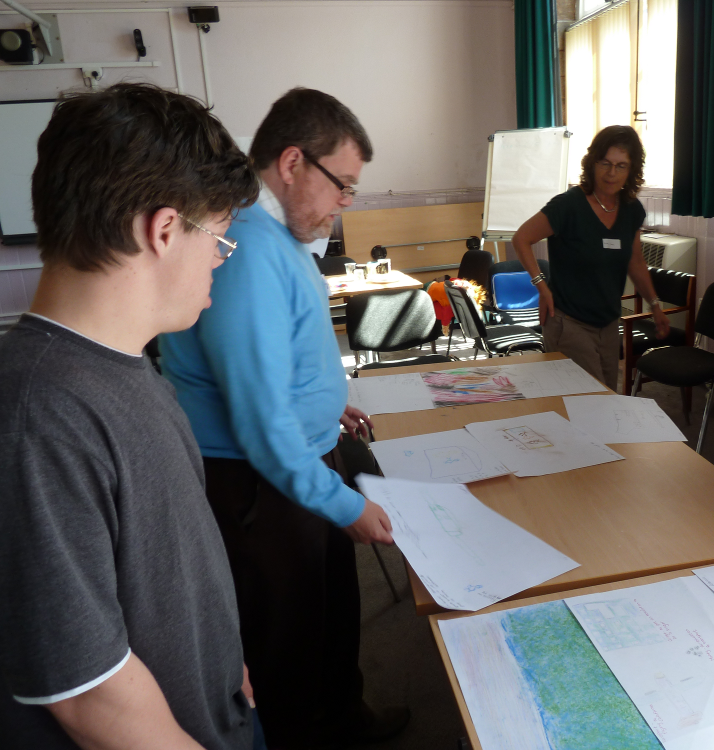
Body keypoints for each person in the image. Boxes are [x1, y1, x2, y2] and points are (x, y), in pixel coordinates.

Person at [0, 83, 259, 749]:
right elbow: (91, 694)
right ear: (163, 230)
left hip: (217, 711)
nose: (219, 258)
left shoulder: (122, 366)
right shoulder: (28, 415)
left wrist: (220, 660)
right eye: (219, 237)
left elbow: (157, 561)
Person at [158, 88, 408, 750]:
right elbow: (261, 420)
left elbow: (280, 360)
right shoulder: (246, 245)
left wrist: (328, 401)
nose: (346, 203)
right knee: (288, 644)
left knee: (329, 617)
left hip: (295, 465)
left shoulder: (280, 235)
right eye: (343, 185)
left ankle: (347, 721)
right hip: (260, 483)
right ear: (293, 162)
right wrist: (342, 502)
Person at [511, 125, 670, 391]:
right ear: (592, 162)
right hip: (569, 322)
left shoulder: (631, 210)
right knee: (585, 403)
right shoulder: (568, 205)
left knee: (607, 400)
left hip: (608, 324)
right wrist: (542, 286)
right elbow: (521, 239)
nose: (611, 173)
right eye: (605, 163)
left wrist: (655, 305)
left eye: (621, 165)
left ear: (631, 170)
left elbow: (635, 261)